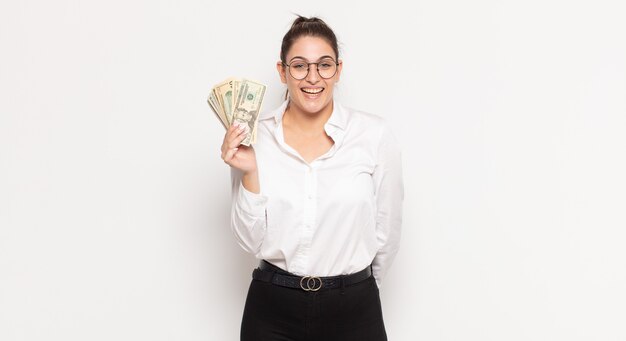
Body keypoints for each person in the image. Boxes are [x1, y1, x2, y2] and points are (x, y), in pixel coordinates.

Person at [220, 15, 403, 341]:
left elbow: (386, 229)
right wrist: (249, 170)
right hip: (273, 308)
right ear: (283, 72)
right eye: (300, 65)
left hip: (354, 308)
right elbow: (250, 241)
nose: (313, 77)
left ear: (338, 70)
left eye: (324, 65)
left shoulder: (373, 135)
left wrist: (359, 288)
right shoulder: (253, 137)